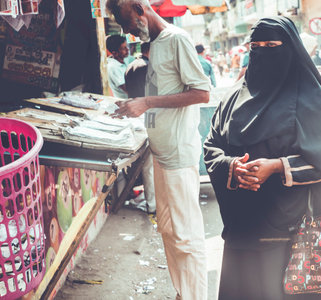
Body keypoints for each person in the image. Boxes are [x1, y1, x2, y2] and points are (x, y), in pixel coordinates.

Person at [203, 16, 321, 300]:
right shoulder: (234, 97)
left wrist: (277, 167)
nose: (263, 52)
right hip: (244, 227)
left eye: (272, 45)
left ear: (290, 47)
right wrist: (233, 167)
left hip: (296, 233)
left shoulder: (312, 98)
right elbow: (211, 144)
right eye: (256, 46)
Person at [106, 0, 210, 299]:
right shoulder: (156, 44)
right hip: (161, 152)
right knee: (170, 230)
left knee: (185, 235)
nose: (125, 30)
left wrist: (147, 103)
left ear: (140, 8)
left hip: (178, 154)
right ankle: (182, 292)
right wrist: (132, 108)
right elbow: (164, 93)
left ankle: (194, 295)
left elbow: (201, 92)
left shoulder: (176, 39)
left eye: (125, 20)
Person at [124, 41, 156, 214]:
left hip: (134, 116)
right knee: (150, 164)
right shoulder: (148, 67)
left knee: (145, 162)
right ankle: (152, 203)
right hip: (148, 116)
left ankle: (150, 201)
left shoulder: (131, 65)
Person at [106, 34, 129, 99]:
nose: (127, 49)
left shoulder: (124, 60)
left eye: (126, 46)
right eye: (124, 48)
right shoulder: (113, 67)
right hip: (125, 101)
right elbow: (128, 90)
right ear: (115, 53)